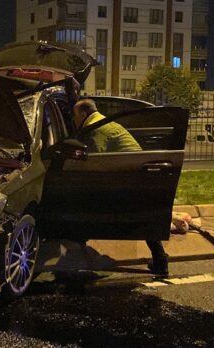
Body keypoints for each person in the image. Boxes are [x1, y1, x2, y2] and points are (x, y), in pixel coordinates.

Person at [72, 98, 169, 276]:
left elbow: (95, 161)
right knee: (144, 218)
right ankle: (160, 260)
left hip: (128, 176)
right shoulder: (104, 122)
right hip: (136, 174)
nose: (74, 120)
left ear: (84, 114)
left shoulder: (96, 129)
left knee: (84, 204)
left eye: (75, 115)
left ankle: (79, 253)